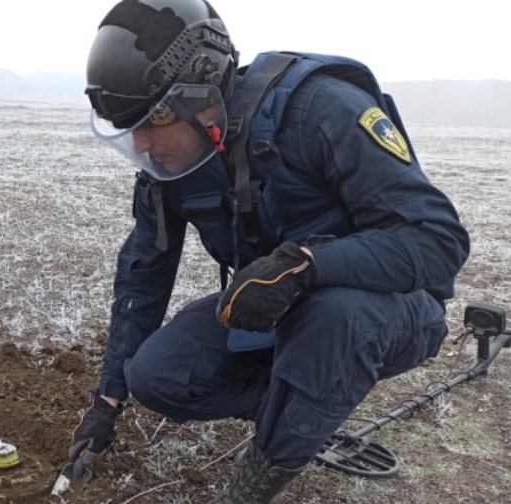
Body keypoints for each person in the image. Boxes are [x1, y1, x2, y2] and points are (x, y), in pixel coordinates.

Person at [66, 0, 471, 502]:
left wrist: (308, 265)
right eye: (131, 131)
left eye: (156, 118)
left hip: (390, 308)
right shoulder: (171, 167)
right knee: (156, 375)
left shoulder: (321, 108)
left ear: (204, 89)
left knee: (333, 315)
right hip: (275, 309)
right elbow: (144, 274)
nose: (144, 145)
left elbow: (438, 242)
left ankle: (257, 480)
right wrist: (108, 399)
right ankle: (301, 404)